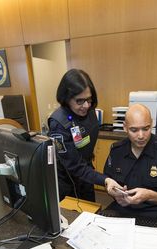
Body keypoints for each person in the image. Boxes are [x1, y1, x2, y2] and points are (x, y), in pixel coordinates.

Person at [104, 103, 157, 219]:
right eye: (134, 130)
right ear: (125, 127)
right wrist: (114, 192)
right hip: (122, 208)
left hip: (155, 211)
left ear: (152, 124)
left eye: (146, 129)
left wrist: (149, 195)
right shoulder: (116, 150)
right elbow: (107, 181)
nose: (141, 136)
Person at [48, 68, 121, 201]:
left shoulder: (89, 110)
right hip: (67, 180)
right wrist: (105, 180)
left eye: (89, 99)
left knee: (91, 211)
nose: (86, 105)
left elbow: (85, 141)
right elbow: (74, 166)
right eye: (79, 101)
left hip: (86, 173)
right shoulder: (59, 124)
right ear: (66, 98)